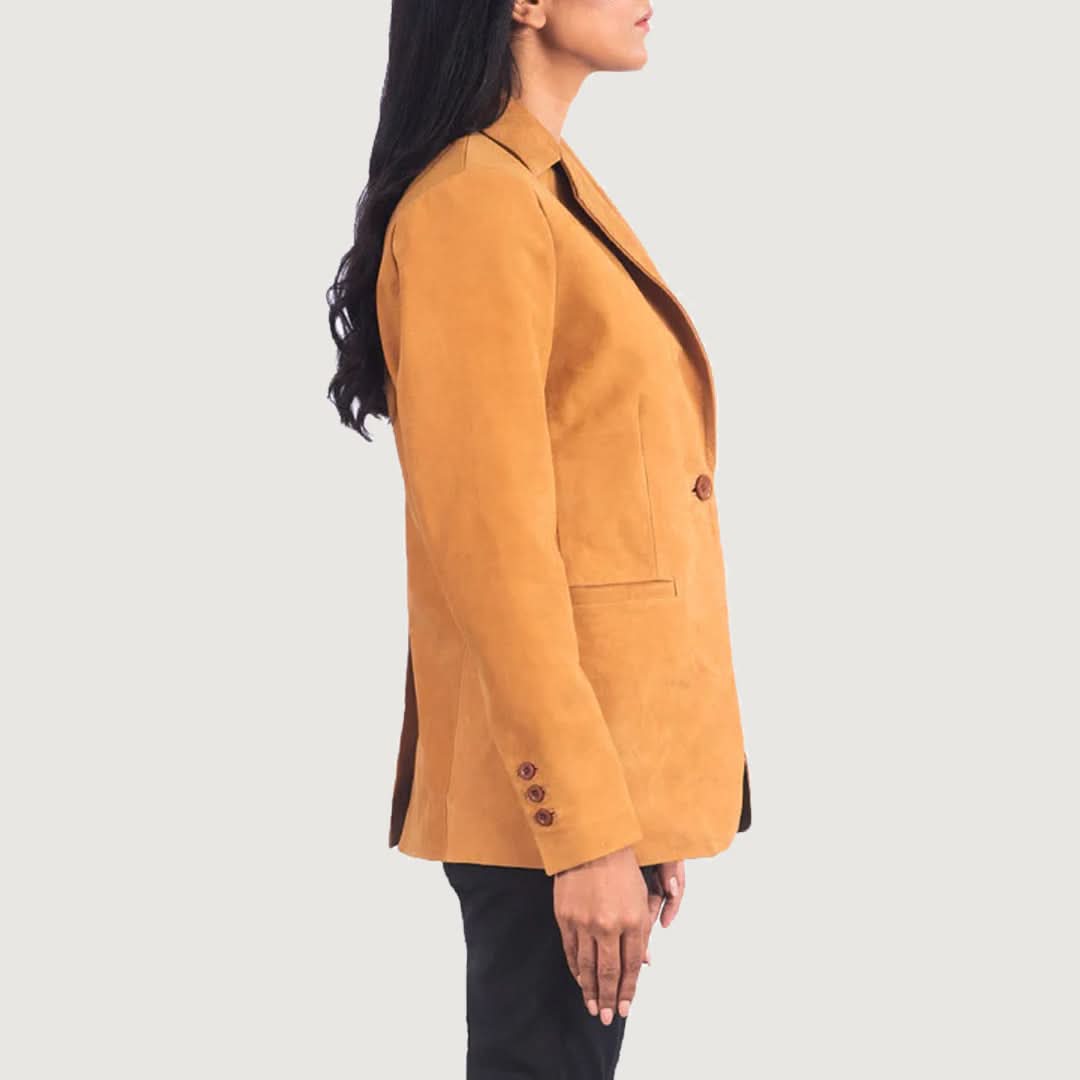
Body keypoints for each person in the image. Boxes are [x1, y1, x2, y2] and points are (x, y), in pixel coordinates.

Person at [327, 3, 751, 1076]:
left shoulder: (539, 186)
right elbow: (496, 556)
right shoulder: (477, 202)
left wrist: (638, 802)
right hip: (547, 814)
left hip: (588, 792)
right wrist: (589, 827)